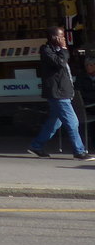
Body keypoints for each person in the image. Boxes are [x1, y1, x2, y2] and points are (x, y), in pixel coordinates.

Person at [28, 27, 92, 159]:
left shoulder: (60, 51)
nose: (63, 39)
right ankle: (79, 151)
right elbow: (60, 63)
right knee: (72, 122)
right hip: (57, 93)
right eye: (61, 36)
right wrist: (63, 49)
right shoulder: (46, 50)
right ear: (53, 37)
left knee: (54, 122)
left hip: (65, 92)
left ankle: (36, 145)